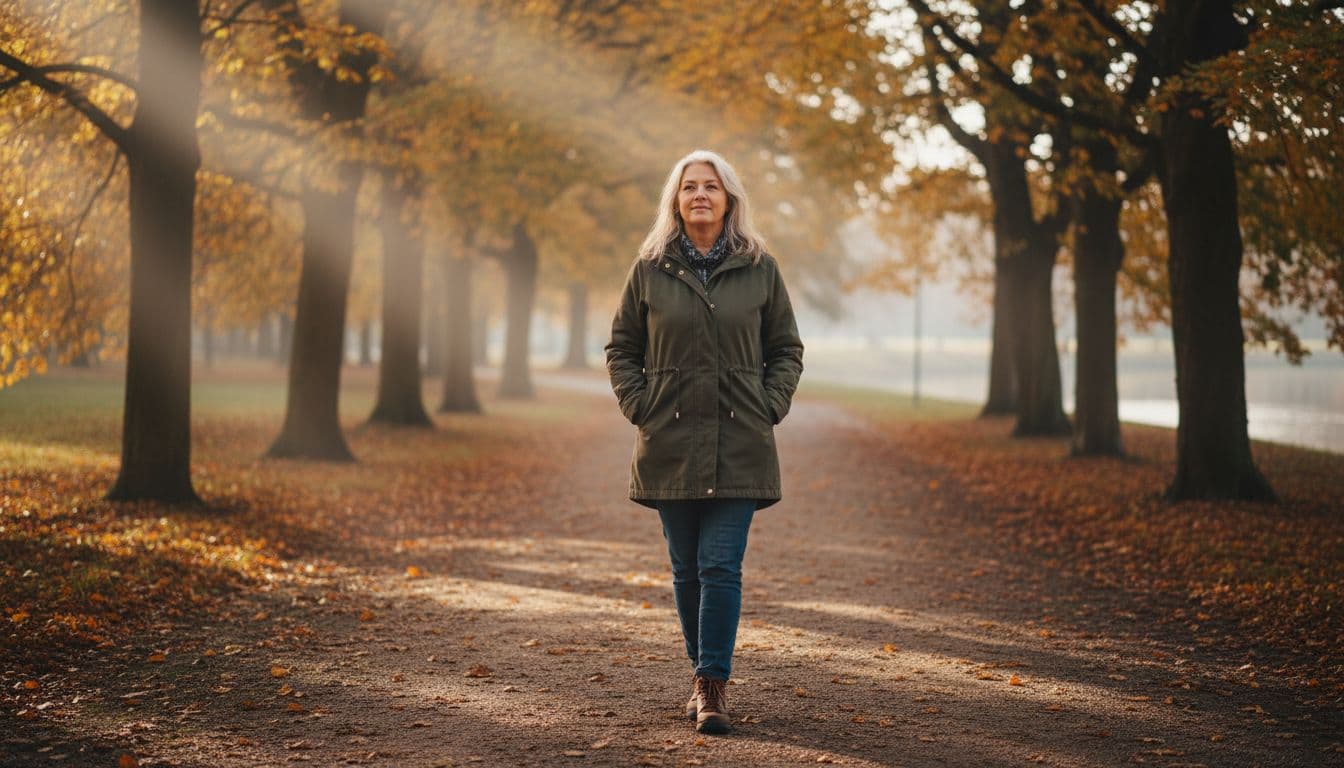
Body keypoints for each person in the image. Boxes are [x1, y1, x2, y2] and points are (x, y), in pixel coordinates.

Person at [604, 149, 804, 735]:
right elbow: (622, 348)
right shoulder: (649, 267)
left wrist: (770, 403)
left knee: (721, 566)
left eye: (710, 187)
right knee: (687, 570)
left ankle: (711, 684)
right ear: (675, 199)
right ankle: (701, 672)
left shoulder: (760, 266)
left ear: (729, 198)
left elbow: (786, 348)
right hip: (669, 441)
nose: (699, 195)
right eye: (689, 186)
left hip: (741, 442)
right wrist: (640, 405)